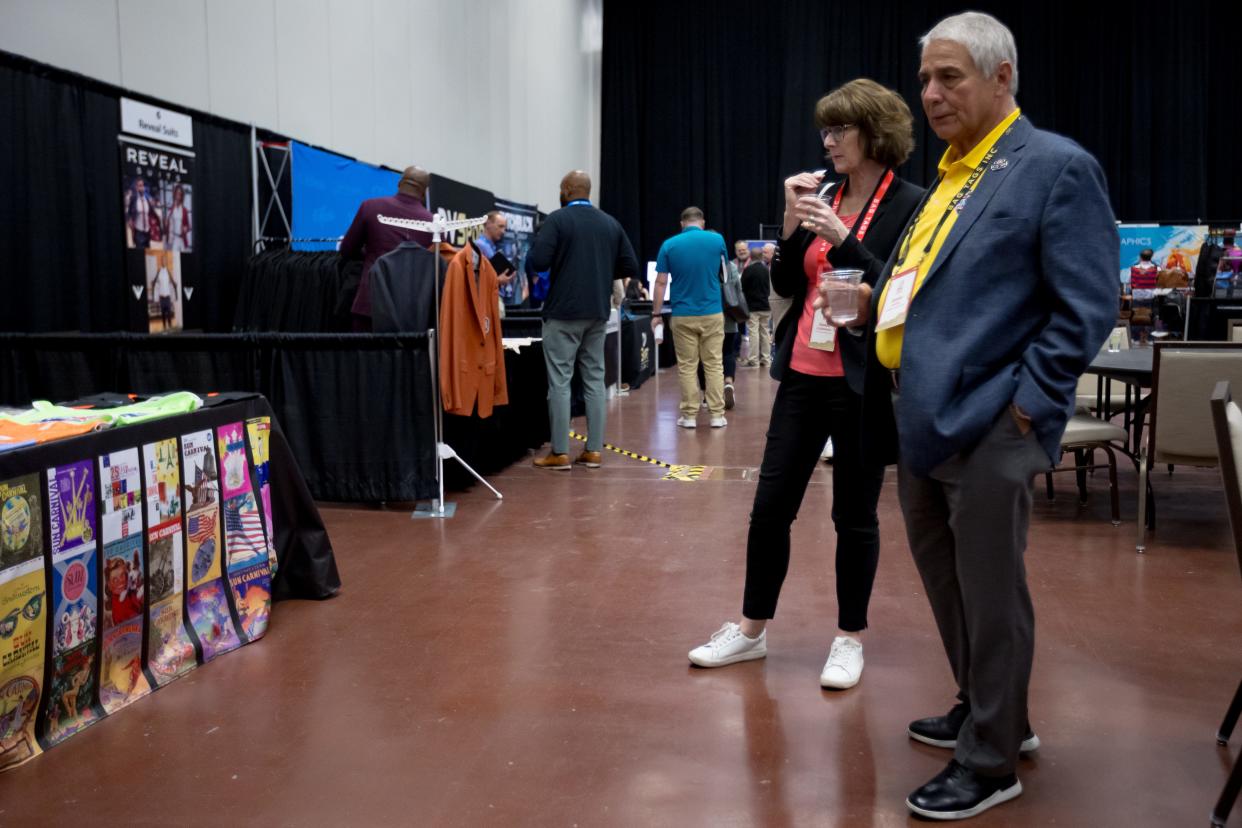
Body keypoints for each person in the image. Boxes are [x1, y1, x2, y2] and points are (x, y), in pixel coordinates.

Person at [866, 13, 1118, 819]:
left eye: (950, 78)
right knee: (948, 584)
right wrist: (867, 302)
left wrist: (1026, 407)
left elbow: (1085, 308)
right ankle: (988, 706)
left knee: (991, 590)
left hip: (990, 423)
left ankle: (990, 761)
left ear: (1002, 78)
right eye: (926, 79)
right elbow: (935, 289)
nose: (930, 94)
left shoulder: (1054, 168)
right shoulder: (952, 175)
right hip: (920, 417)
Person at [687, 79, 924, 691]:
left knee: (855, 514)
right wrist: (794, 221)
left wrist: (846, 238)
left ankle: (850, 638)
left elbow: (904, 288)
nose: (829, 141)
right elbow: (788, 280)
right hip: (801, 372)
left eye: (840, 129)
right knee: (769, 511)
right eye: (825, 130)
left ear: (875, 133)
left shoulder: (912, 205)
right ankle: (750, 629)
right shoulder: (823, 194)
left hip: (862, 380)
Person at [527, 170, 638, 470]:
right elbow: (630, 264)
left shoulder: (557, 220)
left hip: (563, 313)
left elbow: (538, 261)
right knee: (594, 380)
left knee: (560, 382)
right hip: (597, 313)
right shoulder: (610, 223)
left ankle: (560, 452)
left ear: (566, 189)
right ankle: (593, 451)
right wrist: (599, 270)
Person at [652, 207, 730, 428]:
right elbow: (723, 273)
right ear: (702, 222)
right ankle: (716, 415)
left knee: (687, 366)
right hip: (712, 311)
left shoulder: (669, 245)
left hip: (682, 314)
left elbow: (660, 282)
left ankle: (689, 416)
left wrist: (656, 314)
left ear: (682, 223)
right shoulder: (717, 240)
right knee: (714, 364)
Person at [342, 166, 435, 331]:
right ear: (424, 191)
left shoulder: (370, 207)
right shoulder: (435, 224)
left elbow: (347, 250)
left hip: (369, 305)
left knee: (363, 357)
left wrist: (369, 254)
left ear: (399, 183)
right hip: (412, 313)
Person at [474, 210, 520, 304]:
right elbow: (475, 278)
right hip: (486, 299)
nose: (503, 231)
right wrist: (498, 280)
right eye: (500, 226)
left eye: (505, 228)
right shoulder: (480, 246)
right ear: (488, 224)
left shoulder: (491, 247)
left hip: (493, 297)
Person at [740, 253, 772, 366]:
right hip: (766, 306)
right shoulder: (767, 270)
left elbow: (742, 287)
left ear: (751, 256)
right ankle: (766, 359)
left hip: (752, 307)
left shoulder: (748, 270)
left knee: (753, 333)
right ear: (761, 256)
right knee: (765, 332)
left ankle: (754, 360)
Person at [126, 178, 159, 249]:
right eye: (140, 186)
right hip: (138, 232)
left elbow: (151, 213)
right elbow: (128, 213)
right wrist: (129, 220)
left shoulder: (147, 199)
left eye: (142, 185)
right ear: (136, 187)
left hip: (147, 232)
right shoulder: (134, 199)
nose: (142, 187)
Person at [150, 259, 178, 331]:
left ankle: (170, 326)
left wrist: (175, 284)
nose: (163, 262)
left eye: (165, 261)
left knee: (169, 313)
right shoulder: (158, 271)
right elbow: (154, 281)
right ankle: (164, 327)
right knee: (163, 313)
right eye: (162, 261)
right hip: (161, 297)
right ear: (161, 262)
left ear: (166, 262)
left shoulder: (168, 271)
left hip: (167, 296)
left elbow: (172, 280)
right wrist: (153, 283)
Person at [166, 184, 191, 252]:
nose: (178, 196)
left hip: (182, 239)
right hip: (173, 239)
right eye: (177, 193)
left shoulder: (184, 210)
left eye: (180, 194)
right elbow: (166, 225)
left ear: (182, 196)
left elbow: (189, 226)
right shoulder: (171, 209)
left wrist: (186, 229)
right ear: (174, 194)